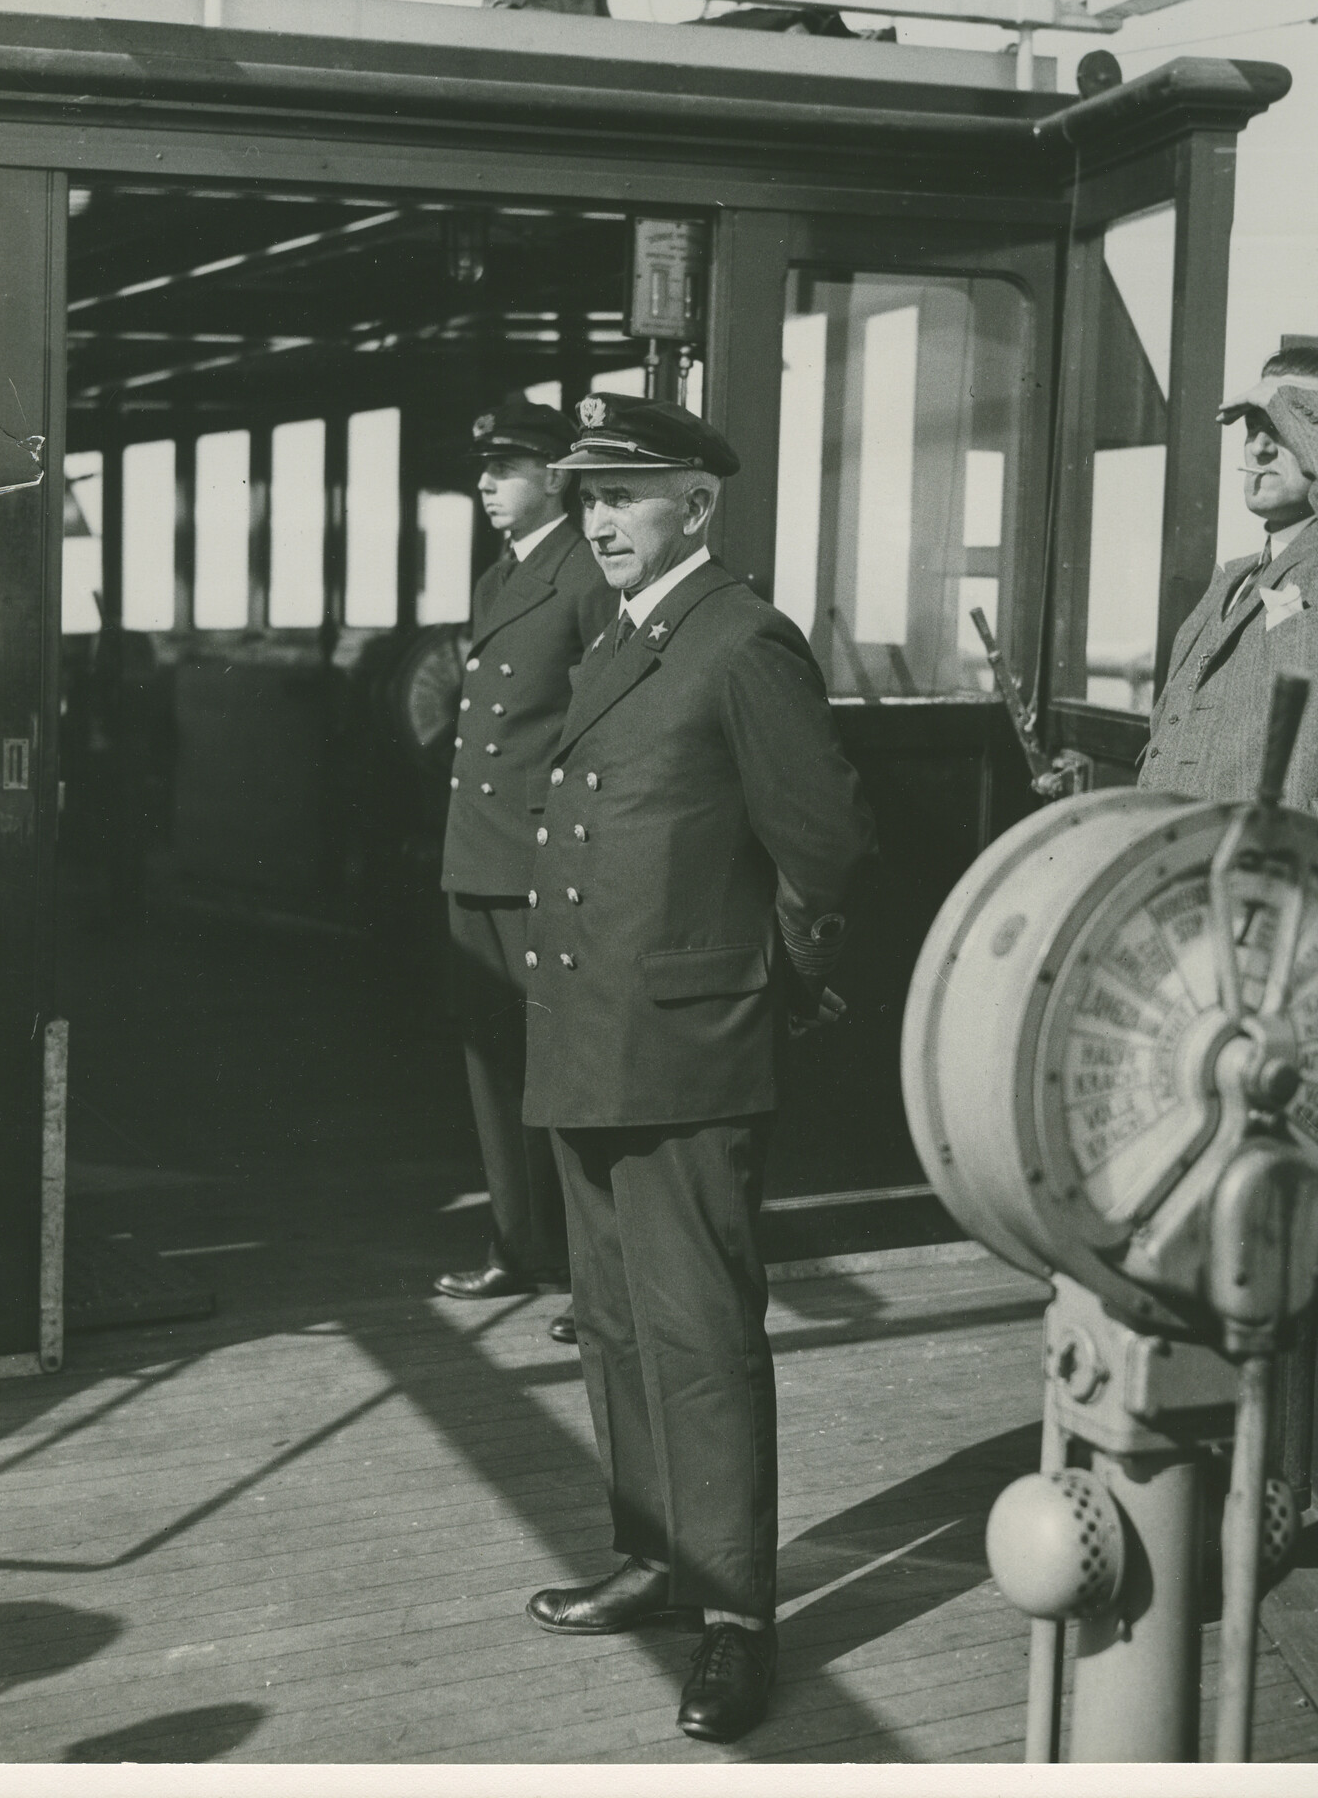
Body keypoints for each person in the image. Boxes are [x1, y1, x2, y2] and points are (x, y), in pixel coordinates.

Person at [518, 394, 877, 1743]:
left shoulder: (738, 638)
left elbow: (823, 840)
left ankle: (734, 1616)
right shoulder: (626, 635)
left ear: (699, 504)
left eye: (628, 494)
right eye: (588, 498)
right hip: (588, 1040)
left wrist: (766, 975)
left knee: (702, 1340)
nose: (600, 520)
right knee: (614, 1322)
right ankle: (658, 1558)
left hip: (684, 1046)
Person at [435, 401, 614, 1343]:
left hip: (540, 860)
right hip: (479, 853)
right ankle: (519, 1242)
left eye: (504, 469)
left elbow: (598, 728)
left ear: (556, 476)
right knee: (491, 1064)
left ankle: (594, 1278)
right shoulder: (502, 576)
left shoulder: (585, 576)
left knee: (560, 1071)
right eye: (484, 470)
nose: (485, 485)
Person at [1139, 346, 1318, 848]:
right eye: (1253, 425)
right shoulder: (1231, 582)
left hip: (1296, 885)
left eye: (1282, 425)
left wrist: (1289, 401)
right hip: (1186, 880)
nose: (1259, 447)